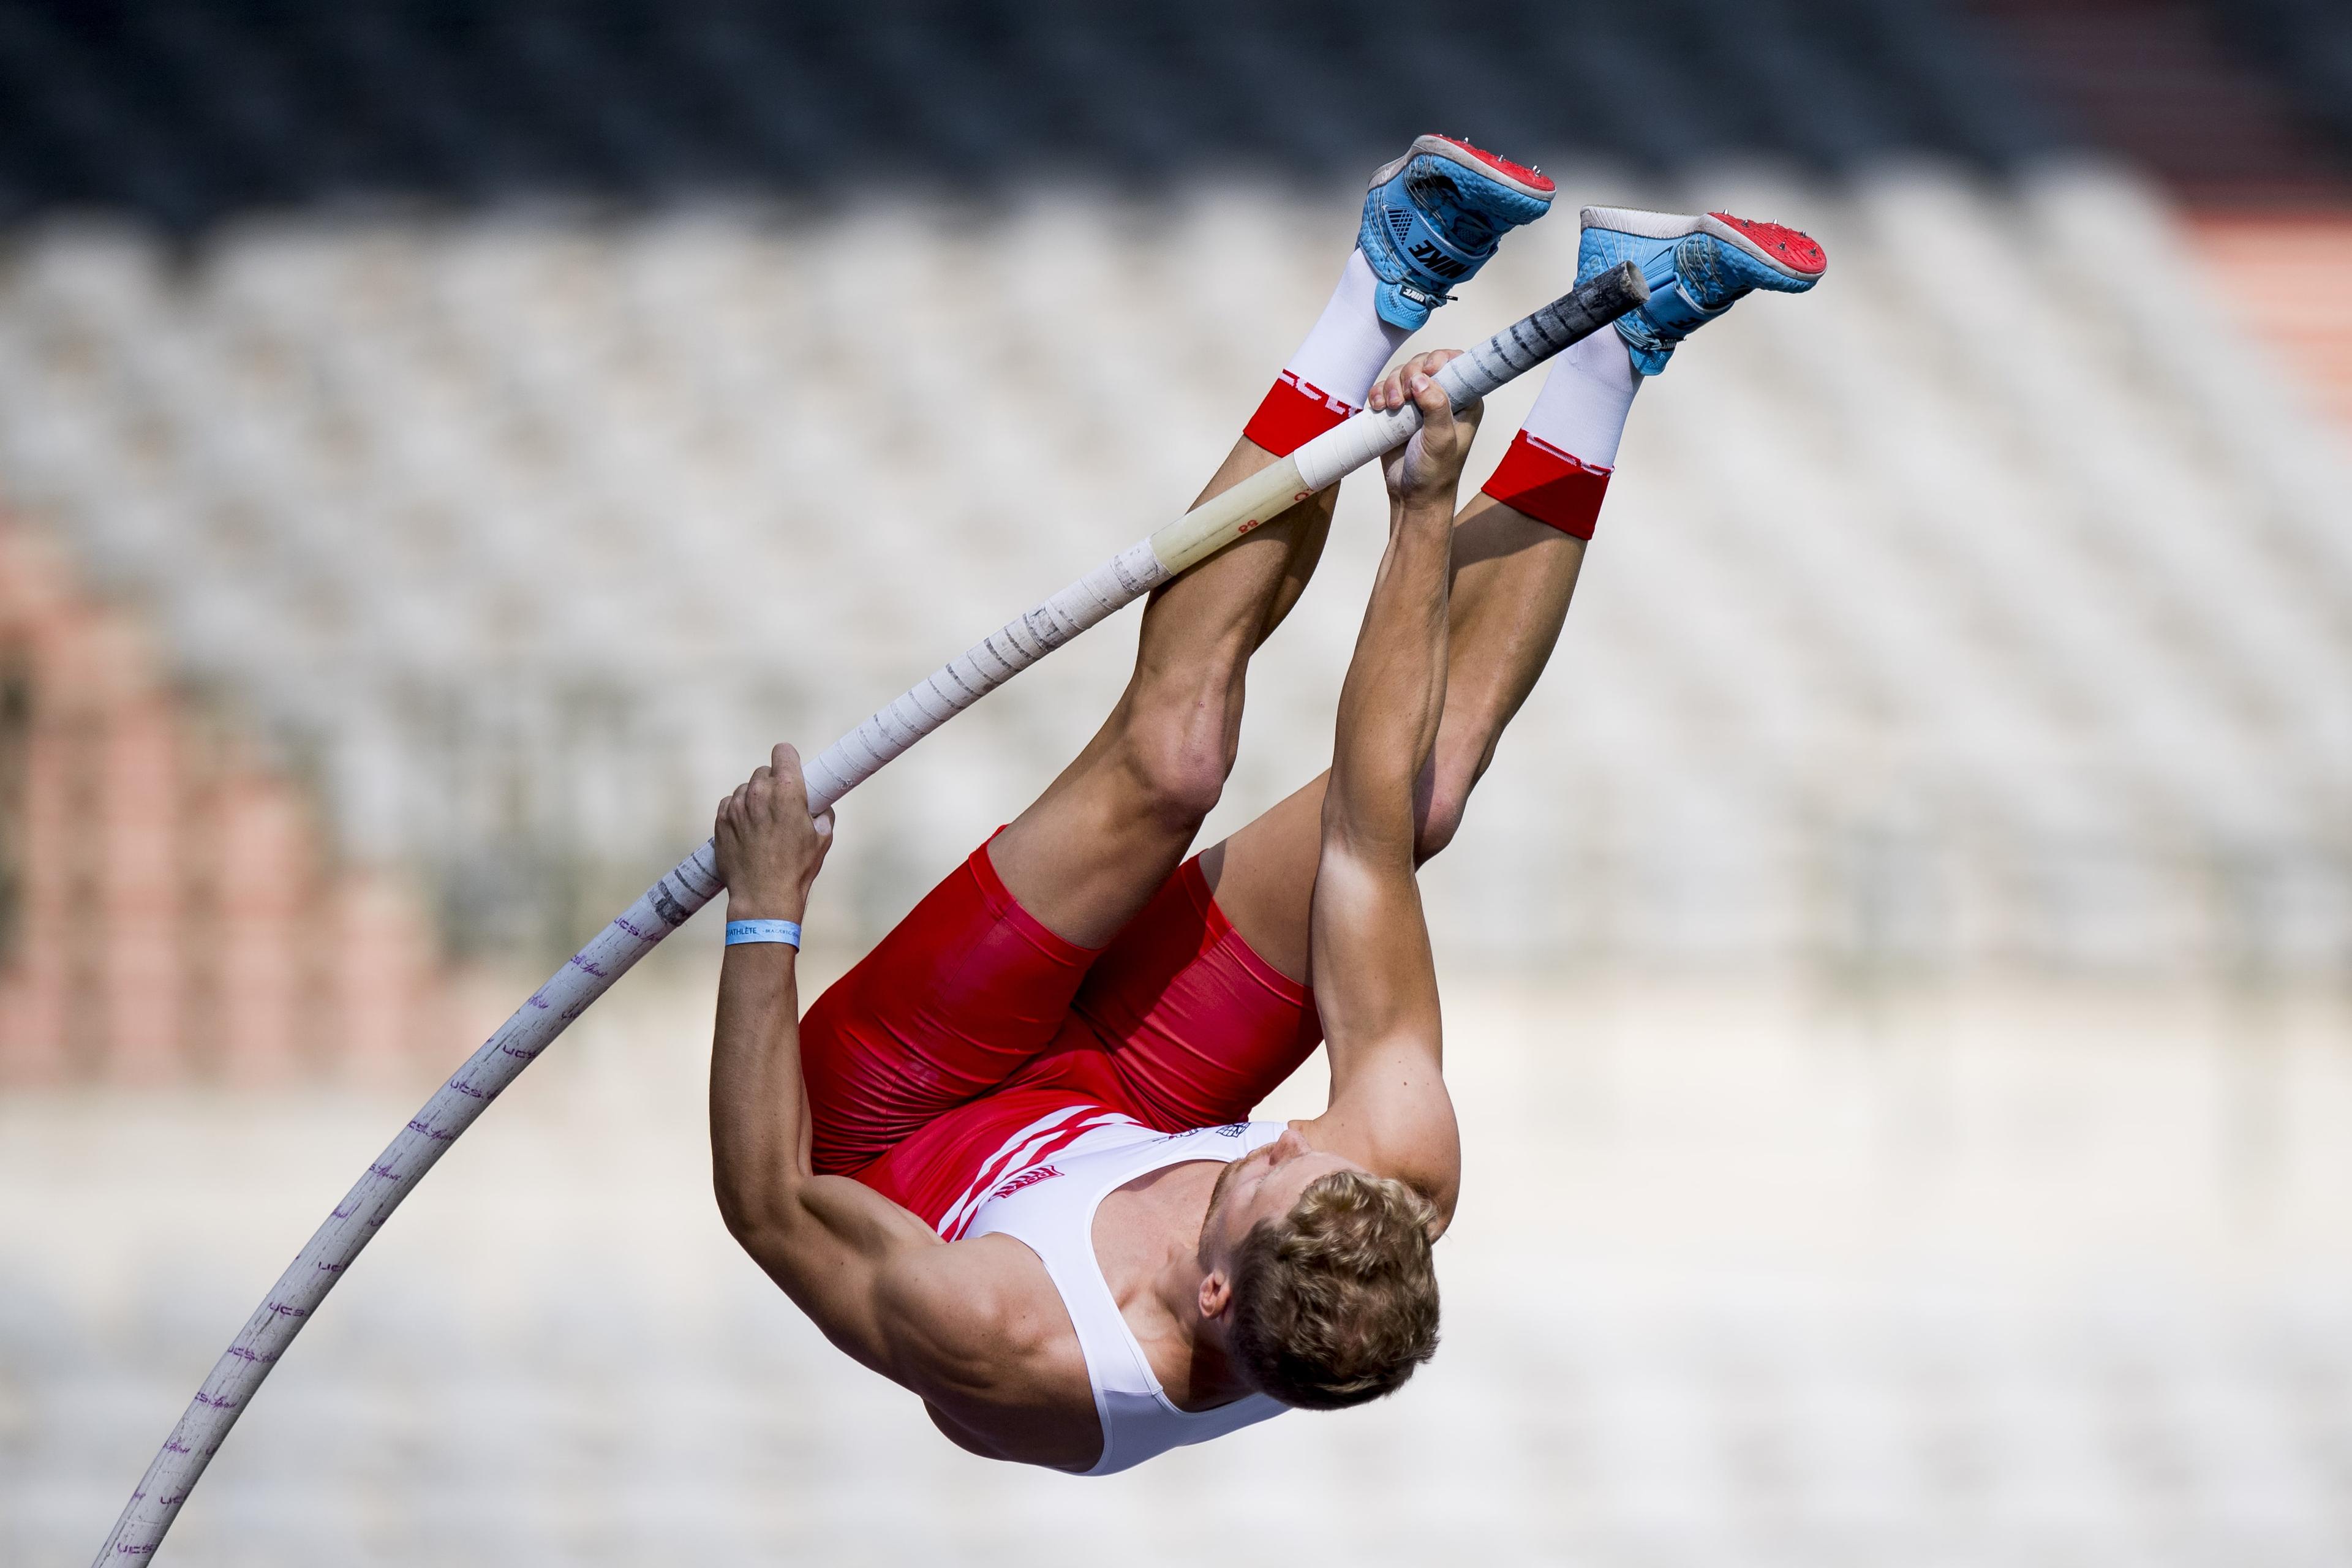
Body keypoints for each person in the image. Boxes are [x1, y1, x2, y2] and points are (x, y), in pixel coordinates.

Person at [707, 136, 1825, 1475]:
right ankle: (1613, 337)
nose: (1292, 1125)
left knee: (1171, 754)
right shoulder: (1382, 1178)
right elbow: (1361, 837)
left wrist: (764, 913)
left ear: (1216, 1293)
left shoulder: (1004, 1334)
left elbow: (771, 1206)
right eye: (1308, 1146)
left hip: (901, 1119)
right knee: (1426, 795)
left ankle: (1377, 284)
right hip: (1124, 1104)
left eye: (1265, 1163)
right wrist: (1420, 511)